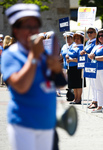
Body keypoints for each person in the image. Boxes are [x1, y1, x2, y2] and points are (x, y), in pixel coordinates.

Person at [2, 3, 63, 150]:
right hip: (24, 124)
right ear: (16, 30)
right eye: (28, 27)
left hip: (47, 123)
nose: (34, 31)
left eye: (36, 26)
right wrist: (33, 57)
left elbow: (60, 83)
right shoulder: (11, 55)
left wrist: (56, 68)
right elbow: (21, 86)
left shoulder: (42, 53)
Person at [88, 28, 103, 113]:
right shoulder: (96, 45)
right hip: (96, 68)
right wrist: (91, 56)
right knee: (98, 88)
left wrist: (94, 57)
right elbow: (90, 55)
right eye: (99, 36)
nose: (100, 37)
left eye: (102, 35)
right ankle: (100, 106)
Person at [80, 27, 98, 109]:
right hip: (87, 64)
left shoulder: (96, 42)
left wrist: (85, 53)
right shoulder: (87, 42)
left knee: (95, 84)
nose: (89, 33)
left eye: (91, 32)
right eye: (88, 32)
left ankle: (96, 101)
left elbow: (93, 53)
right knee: (91, 84)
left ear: (95, 33)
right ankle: (93, 100)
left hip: (93, 64)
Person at [66, 31, 86, 104]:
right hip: (71, 67)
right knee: (73, 84)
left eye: (78, 38)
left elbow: (80, 59)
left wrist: (71, 60)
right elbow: (68, 53)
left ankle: (78, 98)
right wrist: (67, 56)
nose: (76, 40)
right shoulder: (72, 45)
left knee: (78, 84)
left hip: (78, 68)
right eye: (75, 38)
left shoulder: (82, 47)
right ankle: (75, 98)